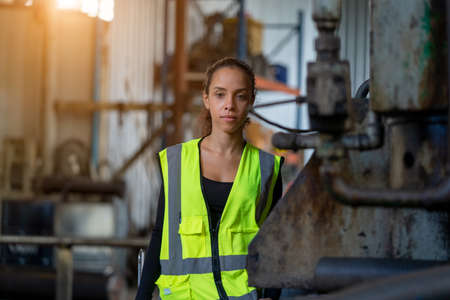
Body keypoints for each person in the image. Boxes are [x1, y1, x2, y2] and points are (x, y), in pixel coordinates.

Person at [135, 57, 284, 300]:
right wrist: (141, 297)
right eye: (220, 94)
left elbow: (276, 241)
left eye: (240, 96)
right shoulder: (177, 162)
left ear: (251, 101)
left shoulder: (266, 168)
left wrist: (273, 296)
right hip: (184, 296)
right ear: (206, 99)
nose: (229, 105)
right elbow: (161, 233)